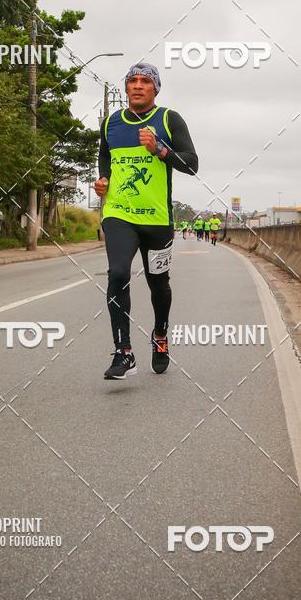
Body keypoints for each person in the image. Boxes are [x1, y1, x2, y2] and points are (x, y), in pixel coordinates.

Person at [94, 62, 199, 380]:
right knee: (118, 274)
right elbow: (104, 155)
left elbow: (192, 164)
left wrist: (160, 150)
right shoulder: (112, 122)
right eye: (132, 81)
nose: (138, 86)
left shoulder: (169, 119)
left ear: (156, 88)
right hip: (118, 214)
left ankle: (161, 335)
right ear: (126, 88)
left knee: (158, 284)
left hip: (157, 218)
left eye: (145, 81)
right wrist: (103, 179)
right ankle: (123, 352)